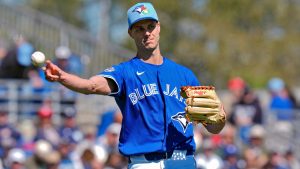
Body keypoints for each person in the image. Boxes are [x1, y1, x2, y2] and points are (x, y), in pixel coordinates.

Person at [43, 2, 226, 169]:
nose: (147, 33)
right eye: (139, 29)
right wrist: (63, 77)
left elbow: (213, 127)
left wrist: (219, 119)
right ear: (131, 33)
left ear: (159, 27)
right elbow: (91, 86)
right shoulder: (124, 72)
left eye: (151, 27)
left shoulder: (185, 75)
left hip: (182, 161)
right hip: (145, 163)